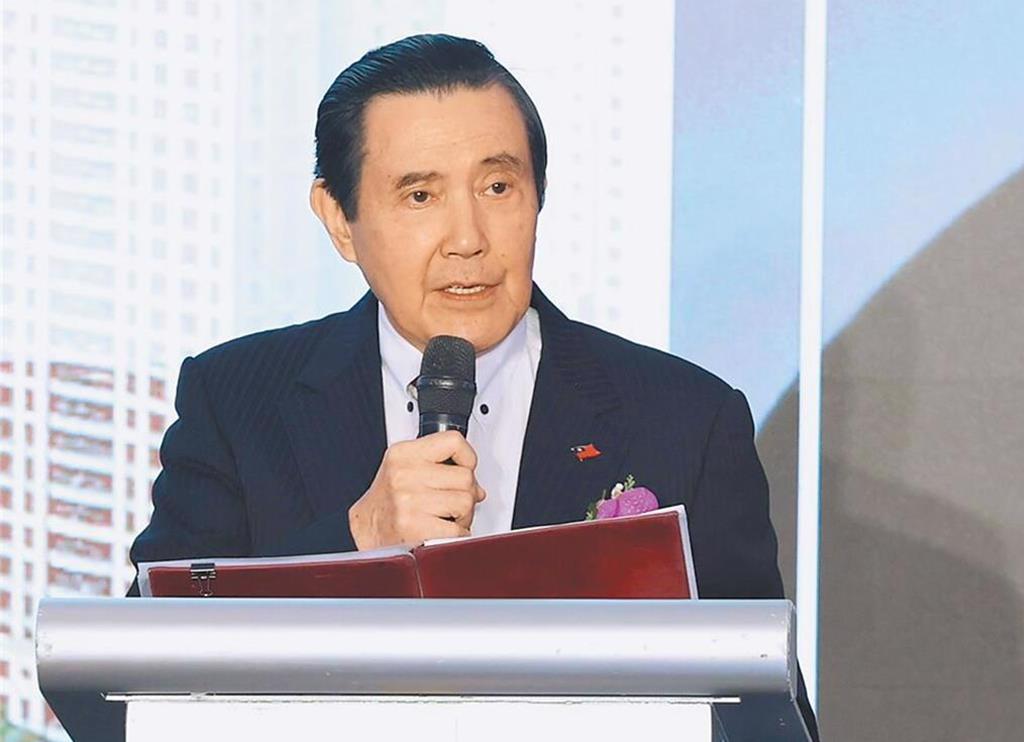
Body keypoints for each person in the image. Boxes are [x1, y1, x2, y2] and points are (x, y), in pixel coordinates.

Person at [55, 33, 819, 741]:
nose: (468, 239)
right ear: (339, 219)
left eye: (497, 186)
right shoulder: (237, 399)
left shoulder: (686, 419)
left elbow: (761, 717)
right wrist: (355, 541)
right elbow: (134, 697)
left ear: (539, 197)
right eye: (420, 196)